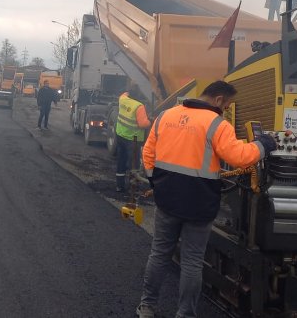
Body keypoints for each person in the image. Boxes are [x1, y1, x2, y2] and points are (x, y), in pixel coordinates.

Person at [135, 81, 277, 318]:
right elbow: (239, 157)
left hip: (167, 199)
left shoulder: (164, 116)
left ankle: (147, 307)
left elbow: (148, 153)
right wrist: (263, 145)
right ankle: (184, 314)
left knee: (159, 254)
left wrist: (155, 183)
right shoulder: (218, 125)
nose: (227, 108)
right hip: (199, 204)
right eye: (228, 104)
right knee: (191, 262)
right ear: (219, 99)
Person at [115, 88, 151, 192]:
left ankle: (119, 186)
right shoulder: (139, 106)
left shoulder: (122, 99)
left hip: (120, 135)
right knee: (133, 164)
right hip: (132, 140)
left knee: (121, 161)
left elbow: (124, 94)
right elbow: (143, 124)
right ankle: (133, 187)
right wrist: (150, 121)